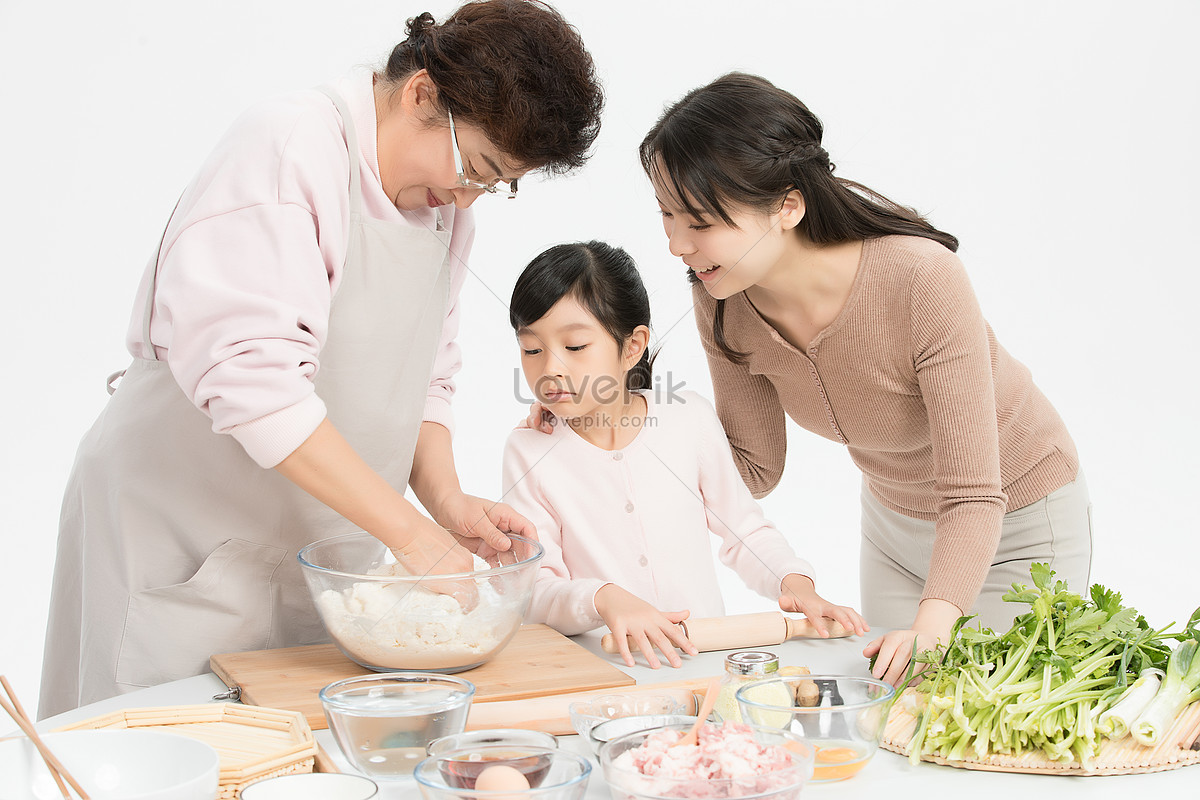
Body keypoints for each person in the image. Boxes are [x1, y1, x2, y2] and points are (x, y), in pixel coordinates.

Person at [39, 0, 604, 718]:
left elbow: (427, 374)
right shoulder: (291, 144)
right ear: (422, 92)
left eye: (496, 184)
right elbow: (257, 383)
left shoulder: (445, 211)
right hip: (178, 535)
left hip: (304, 546)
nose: (470, 194)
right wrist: (410, 536)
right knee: (155, 749)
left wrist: (446, 503)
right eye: (477, 167)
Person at [627, 72, 1094, 686]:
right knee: (896, 720)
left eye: (700, 221)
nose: (676, 245)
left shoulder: (920, 279)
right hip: (894, 528)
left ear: (787, 205)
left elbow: (974, 495)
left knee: (995, 724)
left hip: (1017, 521)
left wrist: (933, 627)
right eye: (667, 216)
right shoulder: (723, 297)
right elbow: (751, 466)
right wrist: (612, 424)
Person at [503, 241, 868, 669]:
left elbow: (744, 530)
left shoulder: (687, 417)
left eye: (576, 346)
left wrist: (796, 583)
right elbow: (533, 590)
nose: (550, 368)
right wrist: (602, 597)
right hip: (604, 673)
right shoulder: (529, 449)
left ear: (633, 346)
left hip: (705, 663)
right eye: (531, 349)